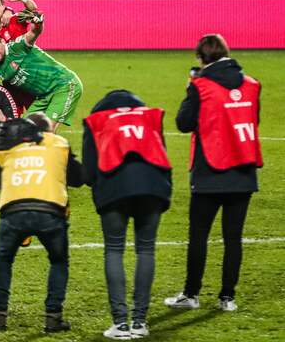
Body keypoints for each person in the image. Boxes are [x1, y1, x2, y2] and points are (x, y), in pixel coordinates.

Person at [165, 34, 262, 313]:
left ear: (201, 58)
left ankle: (191, 294)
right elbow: (253, 119)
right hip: (243, 170)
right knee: (234, 237)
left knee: (199, 235)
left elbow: (183, 124)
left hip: (211, 169)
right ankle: (227, 298)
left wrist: (190, 89)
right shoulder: (252, 85)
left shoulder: (201, 86)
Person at [82, 90, 173, 340]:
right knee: (146, 250)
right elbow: (162, 156)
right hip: (152, 189)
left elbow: (89, 173)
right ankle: (140, 322)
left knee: (114, 249)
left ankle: (121, 324)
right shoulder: (149, 116)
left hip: (114, 189)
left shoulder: (97, 120)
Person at [0, 116, 84, 333]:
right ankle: (53, 317)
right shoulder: (58, 144)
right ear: (49, 130)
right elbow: (80, 178)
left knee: (3, 260)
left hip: (13, 211)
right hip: (50, 211)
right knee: (59, 261)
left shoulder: (13, 146)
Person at [0, 20, 83, 132]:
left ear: (2, 41)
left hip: (64, 85)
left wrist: (38, 23)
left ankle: (57, 149)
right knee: (25, 129)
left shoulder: (17, 47)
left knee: (47, 131)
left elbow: (34, 32)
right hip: (43, 96)